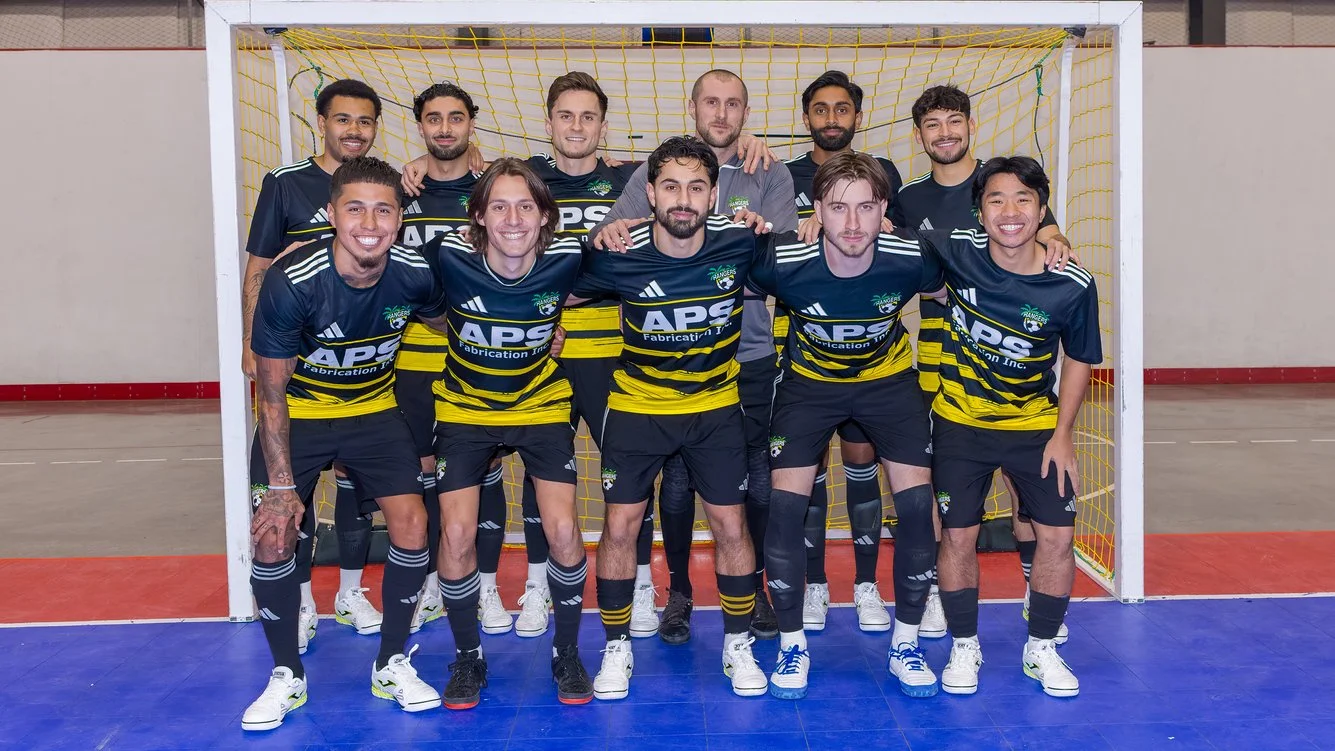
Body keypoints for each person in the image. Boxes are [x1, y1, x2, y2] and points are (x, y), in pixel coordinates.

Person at [592, 69, 797, 644]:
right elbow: (615, 237)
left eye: (734, 103)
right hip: (659, 365)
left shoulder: (768, 169)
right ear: (693, 107)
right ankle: (679, 590)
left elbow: (777, 258)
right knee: (676, 487)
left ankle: (749, 592)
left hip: (744, 354)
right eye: (712, 101)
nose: (722, 113)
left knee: (748, 486)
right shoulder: (656, 171)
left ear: (747, 111)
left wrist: (751, 238)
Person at [242, 157, 440, 731]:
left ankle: (392, 661)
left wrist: (526, 324)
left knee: (412, 524)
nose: (370, 222)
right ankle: (286, 674)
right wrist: (280, 489)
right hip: (299, 413)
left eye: (384, 209)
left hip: (374, 409)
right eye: (355, 208)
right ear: (331, 215)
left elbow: (447, 319)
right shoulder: (290, 282)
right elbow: (271, 394)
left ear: (400, 218)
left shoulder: (413, 271)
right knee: (273, 534)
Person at [574, 135, 772, 700]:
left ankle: (737, 645)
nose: (682, 199)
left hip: (714, 408)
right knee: (618, 527)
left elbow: (820, 262)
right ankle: (616, 649)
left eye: (695, 187)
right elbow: (543, 285)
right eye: (670, 187)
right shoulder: (620, 250)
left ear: (713, 195)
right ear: (651, 194)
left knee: (731, 526)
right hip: (638, 408)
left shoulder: (742, 244)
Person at [751, 151, 941, 699]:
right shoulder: (783, 258)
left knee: (913, 508)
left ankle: (905, 641)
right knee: (785, 509)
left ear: (885, 209)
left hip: (887, 384)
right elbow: (702, 263)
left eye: (865, 207)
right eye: (838, 208)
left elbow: (972, 279)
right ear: (817, 210)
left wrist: (1048, 236)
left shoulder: (911, 256)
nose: (852, 224)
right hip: (808, 386)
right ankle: (792, 645)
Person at [899, 84, 1076, 643]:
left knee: (1030, 491)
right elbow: (904, 267)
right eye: (932, 125)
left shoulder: (1006, 188)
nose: (945, 133)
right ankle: (935, 592)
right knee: (940, 487)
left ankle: (1035, 589)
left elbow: (1044, 237)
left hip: (1009, 363)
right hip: (936, 359)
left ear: (971, 126)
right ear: (919, 134)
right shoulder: (909, 199)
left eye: (954, 122)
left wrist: (1055, 235)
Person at [927, 156, 1101, 697]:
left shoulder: (1071, 282)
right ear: (979, 213)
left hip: (1034, 426)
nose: (1010, 211)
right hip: (959, 421)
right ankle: (964, 643)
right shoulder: (956, 255)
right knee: (957, 535)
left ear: (1042, 210)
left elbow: (1078, 359)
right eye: (996, 200)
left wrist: (1063, 433)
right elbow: (878, 235)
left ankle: (1041, 647)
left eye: (1023, 199)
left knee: (1057, 535)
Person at [423, 159, 594, 709]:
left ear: (545, 217)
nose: (513, 218)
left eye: (526, 206)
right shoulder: (448, 255)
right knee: (454, 536)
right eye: (499, 205)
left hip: (540, 401)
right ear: (478, 215)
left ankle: (566, 651)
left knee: (564, 530)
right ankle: (468, 657)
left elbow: (640, 262)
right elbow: (389, 277)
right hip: (465, 407)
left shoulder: (569, 258)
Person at [240, 79, 385, 644]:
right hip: (294, 366)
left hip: (360, 366)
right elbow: (256, 268)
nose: (354, 130)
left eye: (365, 121)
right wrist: (256, 347)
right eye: (343, 119)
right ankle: (298, 601)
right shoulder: (286, 184)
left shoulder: (380, 186)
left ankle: (350, 593)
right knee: (286, 484)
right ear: (321, 122)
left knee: (355, 484)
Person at [782, 70, 908, 633]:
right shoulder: (782, 174)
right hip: (808, 356)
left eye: (842, 109)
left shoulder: (884, 174)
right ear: (805, 116)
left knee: (862, 465)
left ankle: (864, 584)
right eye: (820, 109)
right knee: (806, 473)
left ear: (858, 116)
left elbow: (898, 242)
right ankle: (812, 584)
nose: (831, 118)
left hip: (873, 358)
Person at [391, 82, 483, 634]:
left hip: (479, 357)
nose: (444, 128)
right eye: (433, 119)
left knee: (483, 470)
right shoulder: (401, 193)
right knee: (424, 472)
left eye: (455, 118)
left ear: (472, 123)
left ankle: (488, 588)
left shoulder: (494, 186)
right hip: (414, 357)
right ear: (420, 125)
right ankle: (428, 585)